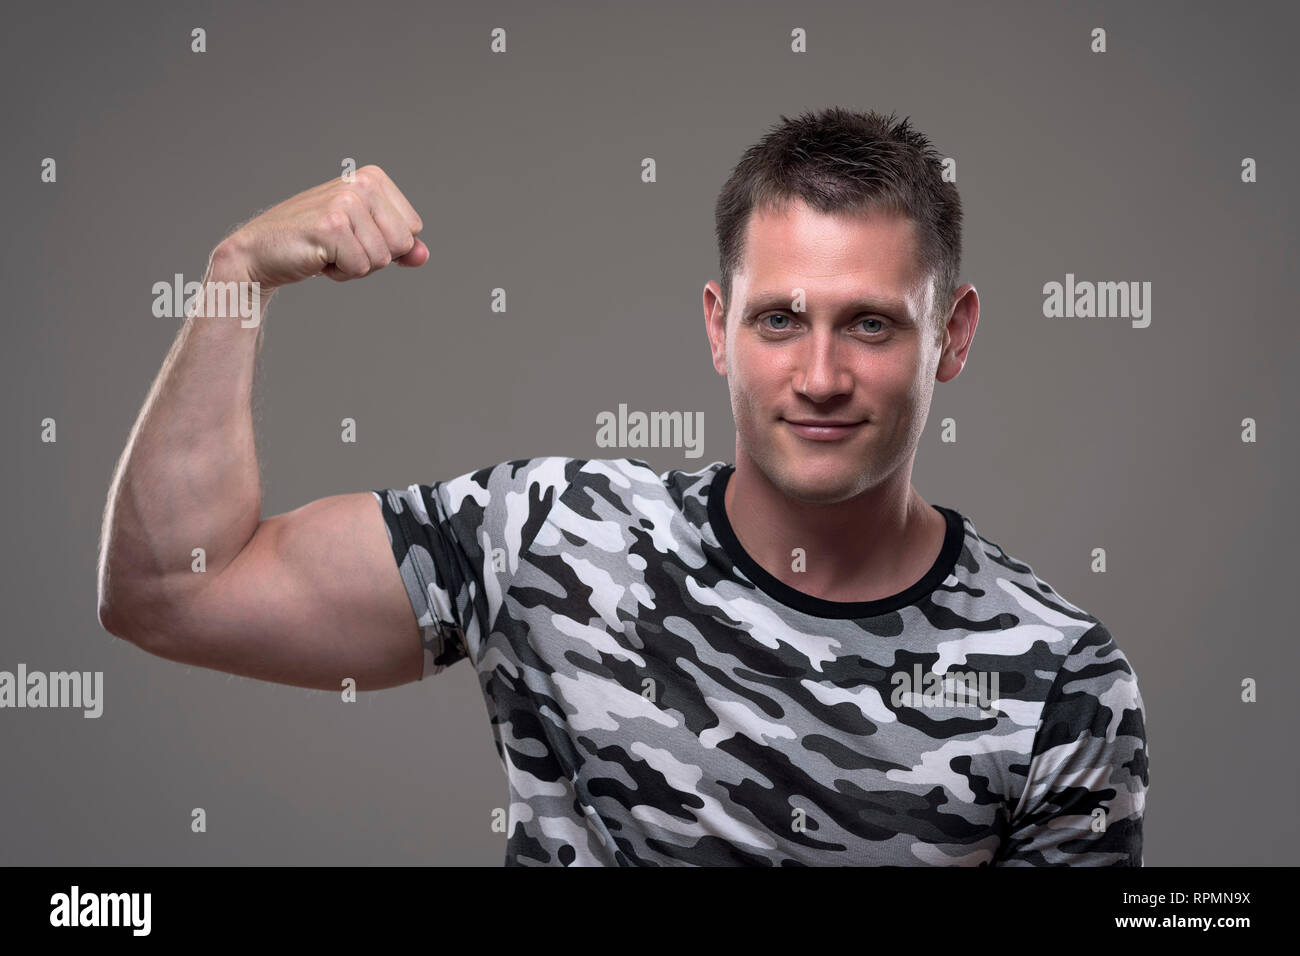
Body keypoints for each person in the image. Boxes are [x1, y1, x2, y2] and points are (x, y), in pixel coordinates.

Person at [97, 107, 1148, 866]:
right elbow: (171, 589)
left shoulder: (1057, 679)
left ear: (951, 335)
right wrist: (237, 276)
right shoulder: (555, 538)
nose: (819, 375)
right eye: (778, 317)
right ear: (714, 326)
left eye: (869, 323)